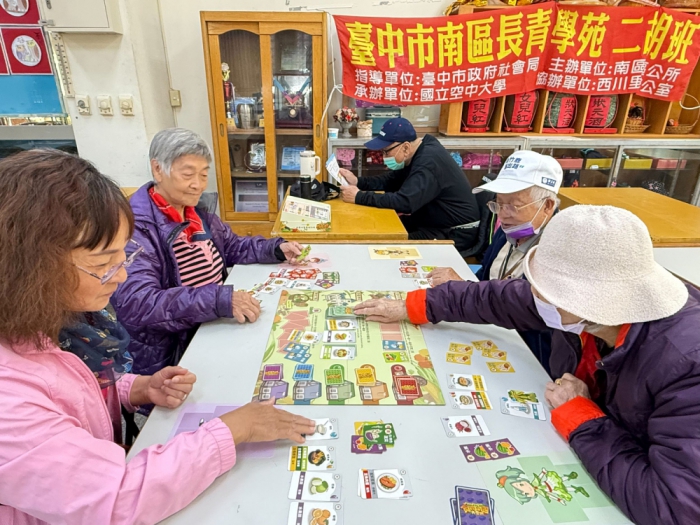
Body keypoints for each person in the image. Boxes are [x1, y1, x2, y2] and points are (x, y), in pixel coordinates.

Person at [0, 150, 316, 524]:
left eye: (123, 257)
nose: (120, 276)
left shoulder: (46, 325)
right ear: (27, 269)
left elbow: (64, 386)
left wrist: (134, 388)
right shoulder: (9, 400)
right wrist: (236, 428)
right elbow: (116, 501)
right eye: (103, 264)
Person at [354, 205, 700, 525]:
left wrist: (582, 417)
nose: (532, 292)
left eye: (544, 287)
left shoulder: (687, 364)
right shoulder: (590, 308)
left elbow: (674, 507)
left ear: (586, 302)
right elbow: (499, 298)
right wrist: (415, 306)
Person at [112, 128, 304, 376]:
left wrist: (275, 248)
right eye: (188, 174)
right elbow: (138, 303)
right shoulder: (135, 227)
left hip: (213, 327)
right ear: (157, 169)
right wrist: (218, 300)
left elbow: (233, 247)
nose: (198, 185)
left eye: (204, 175)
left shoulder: (195, 212)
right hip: (172, 353)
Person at [428, 150, 563, 373]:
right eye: (498, 204)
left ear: (547, 206)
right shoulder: (509, 230)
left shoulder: (559, 253)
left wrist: (465, 288)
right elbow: (486, 277)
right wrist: (466, 286)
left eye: (514, 206)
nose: (503, 215)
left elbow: (533, 318)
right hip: (491, 333)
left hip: (529, 357)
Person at [338, 118, 479, 247]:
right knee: (380, 228)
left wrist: (359, 197)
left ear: (405, 147)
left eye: (386, 152)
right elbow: (391, 180)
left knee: (388, 246)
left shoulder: (427, 163)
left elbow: (405, 202)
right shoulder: (419, 151)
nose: (383, 157)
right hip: (431, 222)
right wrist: (357, 181)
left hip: (455, 232)